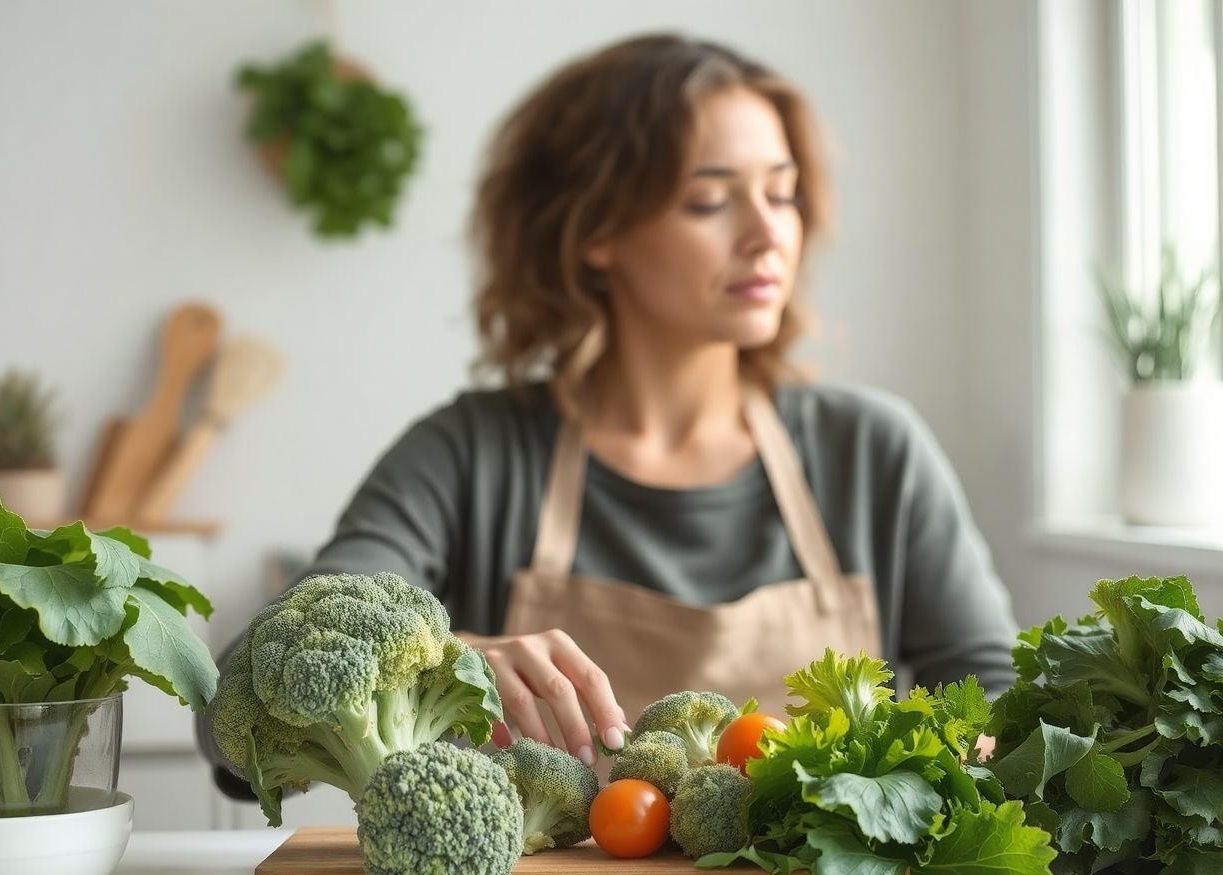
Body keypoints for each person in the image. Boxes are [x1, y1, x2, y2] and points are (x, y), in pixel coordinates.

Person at [198, 33, 1015, 794]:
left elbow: (996, 712)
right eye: (710, 201)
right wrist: (448, 659)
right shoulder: (470, 456)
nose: (770, 234)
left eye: (784, 194)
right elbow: (238, 704)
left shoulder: (873, 452)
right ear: (597, 230)